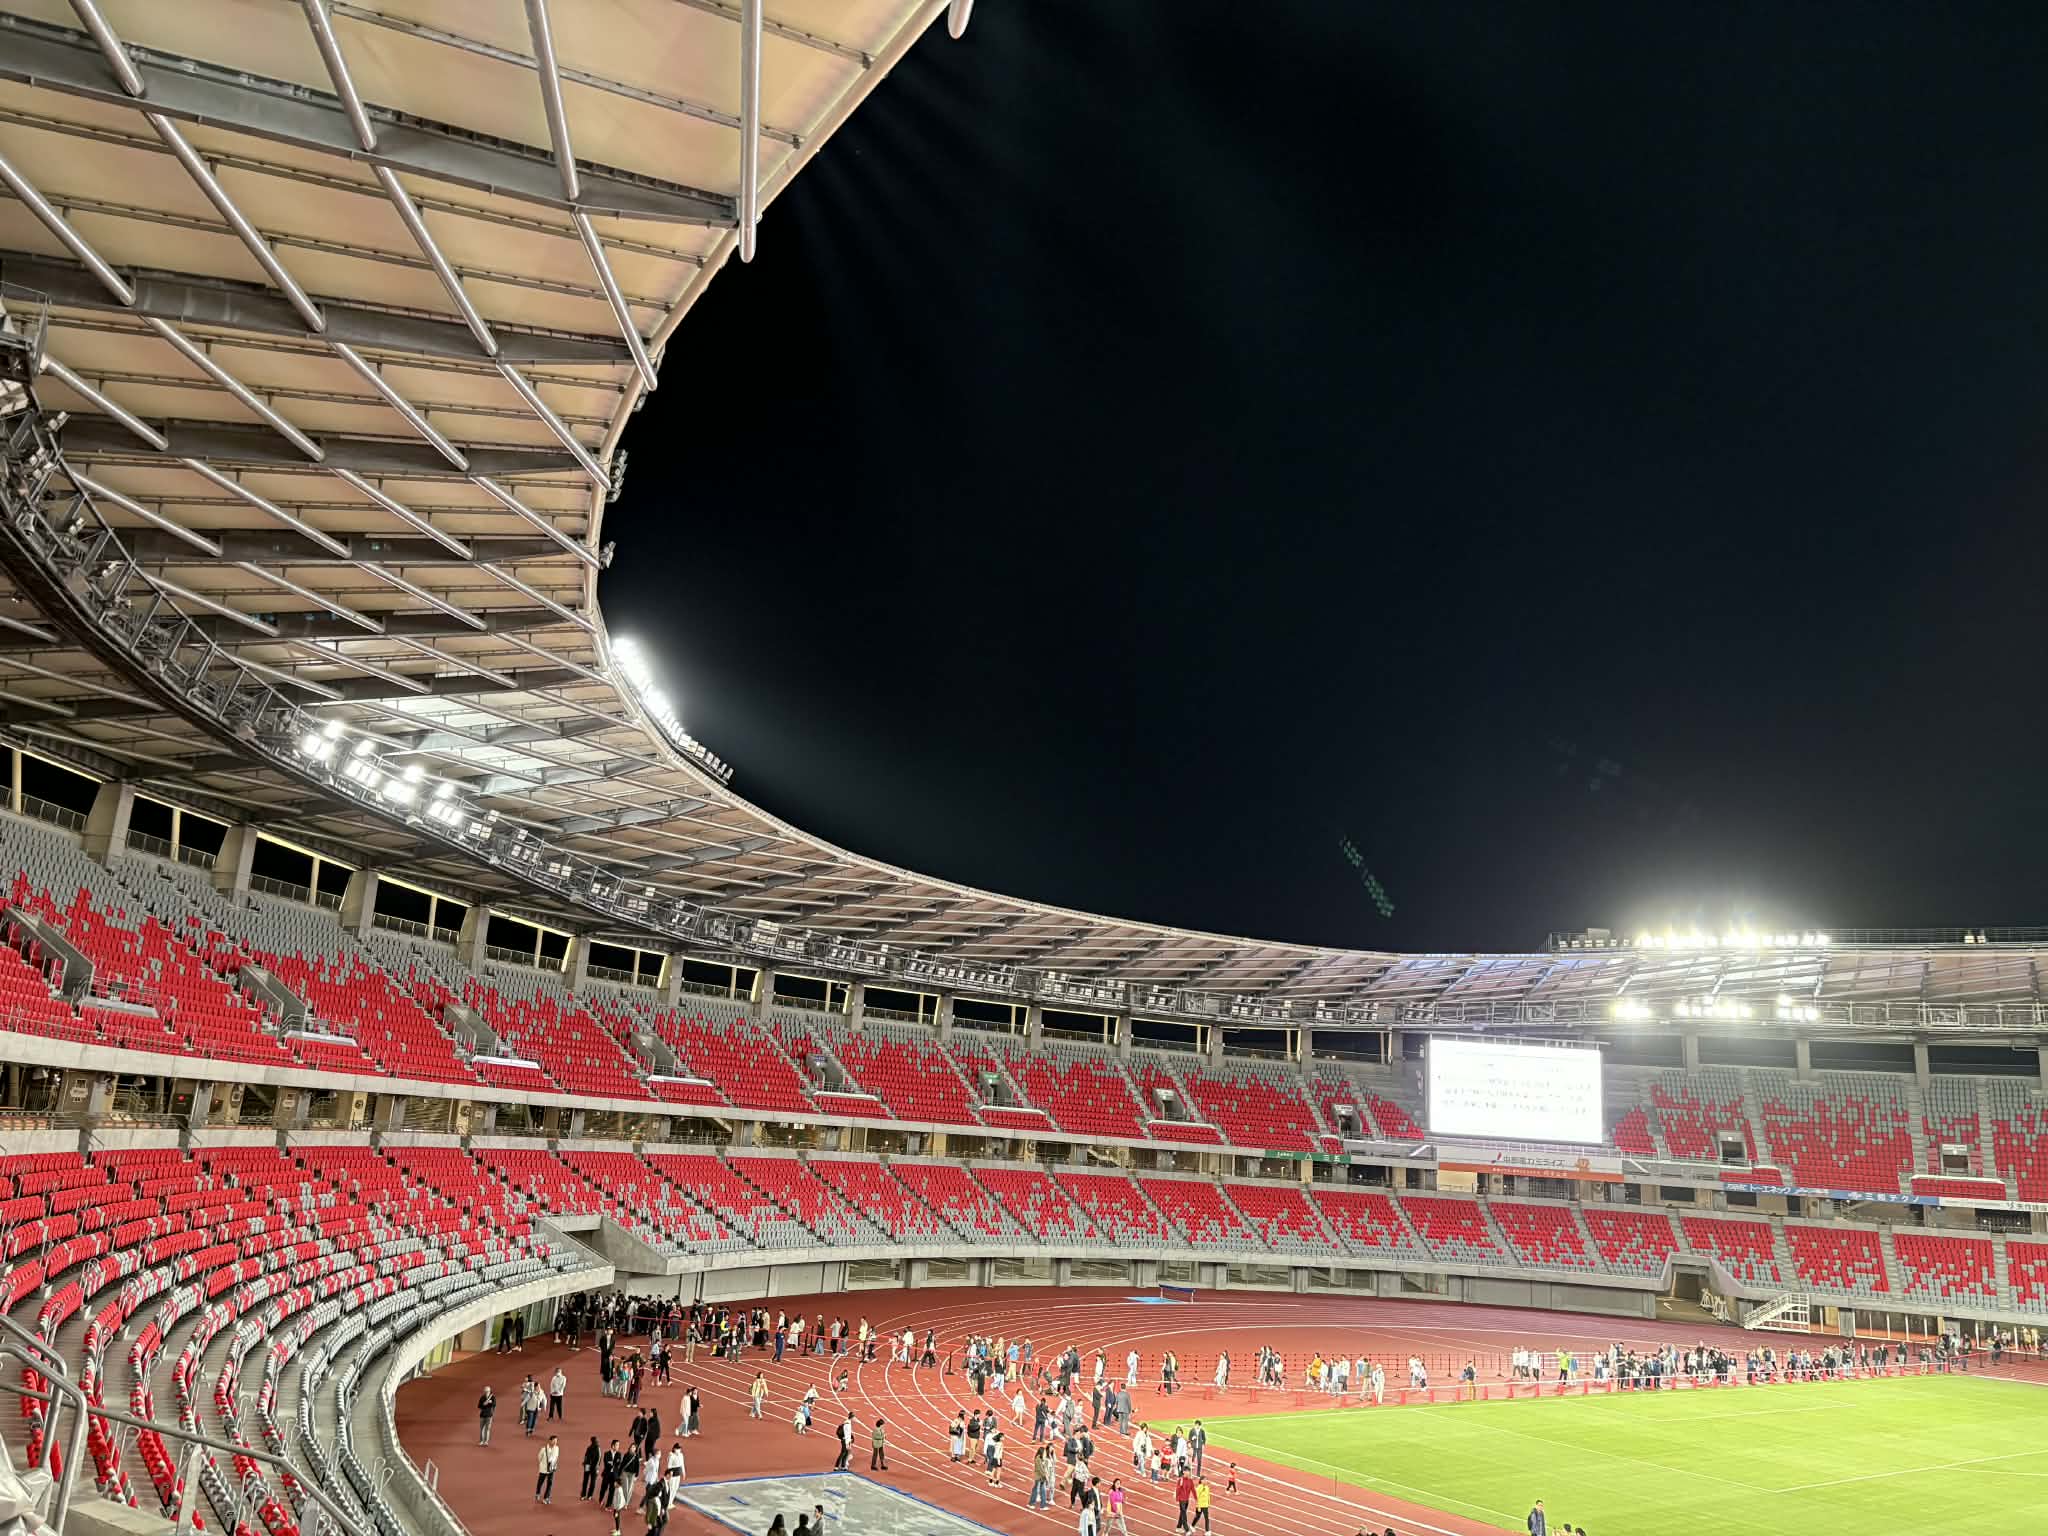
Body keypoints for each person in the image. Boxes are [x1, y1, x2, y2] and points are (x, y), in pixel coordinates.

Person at [534, 1435, 559, 1504]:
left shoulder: (557, 1448)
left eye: (556, 1441)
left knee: (550, 1483)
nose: (555, 1442)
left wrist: (553, 1465)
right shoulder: (543, 1449)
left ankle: (546, 1498)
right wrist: (543, 1464)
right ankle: (538, 1493)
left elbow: (556, 1457)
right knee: (540, 1482)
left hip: (551, 1469)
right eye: (554, 1441)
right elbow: (539, 1457)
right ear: (550, 1441)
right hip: (543, 1469)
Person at [580, 1435, 601, 1500]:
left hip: (594, 1467)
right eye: (594, 1441)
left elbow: (599, 1458)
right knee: (585, 1481)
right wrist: (584, 1462)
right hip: (587, 1466)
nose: (595, 1442)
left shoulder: (598, 1448)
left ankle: (590, 1495)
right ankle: (583, 1495)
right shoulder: (589, 1448)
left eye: (596, 1441)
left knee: (592, 1482)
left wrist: (597, 1468)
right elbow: (586, 1456)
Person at [1175, 1467, 1196, 1531]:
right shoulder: (1180, 1480)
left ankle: (1178, 1527)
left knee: (1182, 1513)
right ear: (1183, 1472)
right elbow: (1177, 1490)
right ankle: (1186, 1529)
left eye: (1188, 1471)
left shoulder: (1190, 1480)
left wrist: (1196, 1498)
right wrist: (1177, 1499)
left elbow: (1193, 1489)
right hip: (1181, 1500)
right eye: (1186, 1471)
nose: (1188, 1472)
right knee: (1184, 1514)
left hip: (1187, 1500)